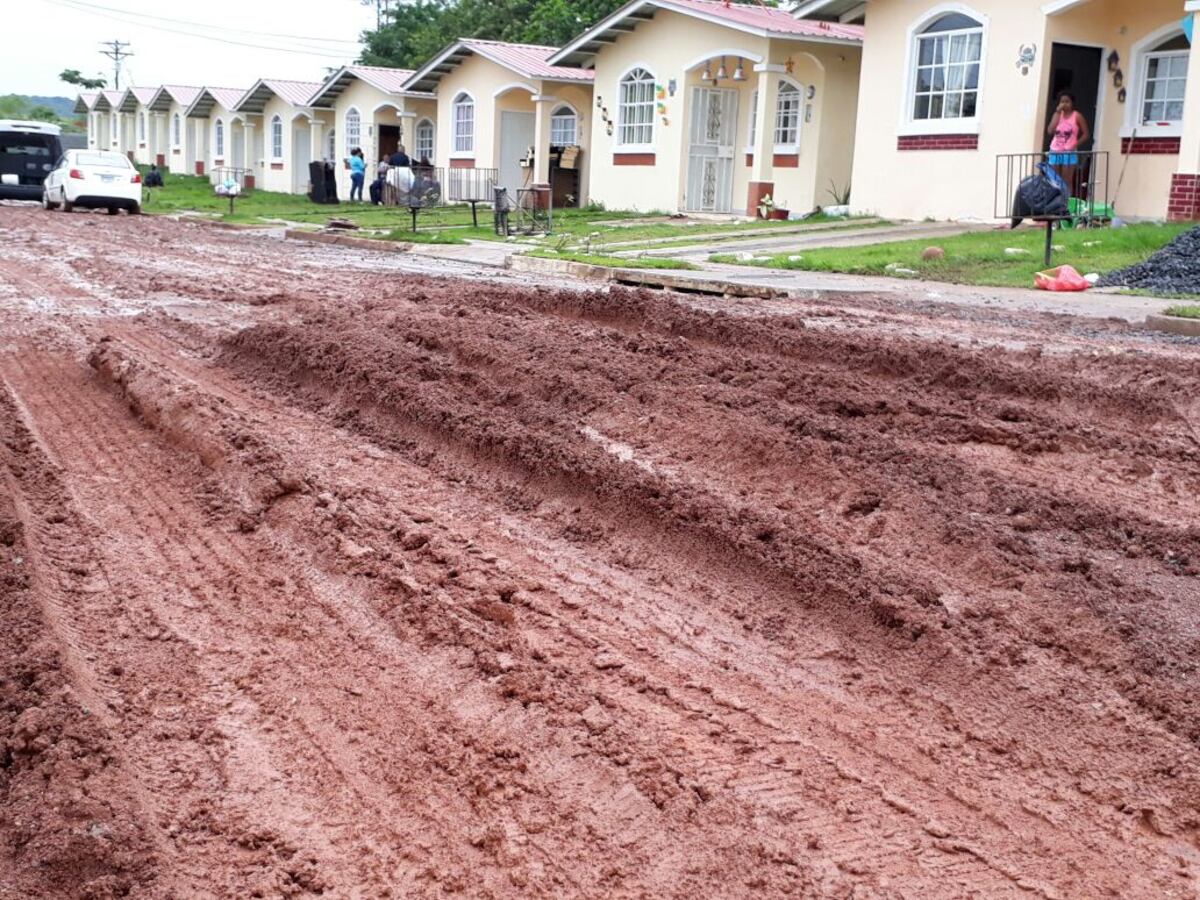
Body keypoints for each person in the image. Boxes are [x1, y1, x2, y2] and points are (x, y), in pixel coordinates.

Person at [1046, 92, 1090, 197]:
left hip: (1069, 151)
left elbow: (1086, 134)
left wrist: (1075, 144)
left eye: (1067, 101)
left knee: (1067, 179)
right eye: (1062, 101)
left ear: (1072, 103)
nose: (1064, 104)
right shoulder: (1057, 115)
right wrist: (1057, 112)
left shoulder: (1077, 116)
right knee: (1054, 178)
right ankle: (1055, 202)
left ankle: (1067, 202)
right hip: (1055, 150)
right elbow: (1050, 130)